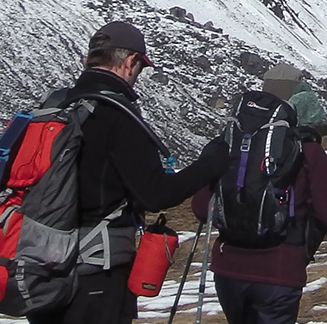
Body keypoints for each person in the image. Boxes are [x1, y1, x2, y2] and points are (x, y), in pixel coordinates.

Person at [27, 21, 230, 324]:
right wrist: (210, 164)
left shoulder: (55, 107)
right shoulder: (118, 114)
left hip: (42, 266)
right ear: (130, 61)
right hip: (96, 272)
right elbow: (156, 193)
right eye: (140, 68)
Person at [191, 67, 327, 324]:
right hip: (279, 272)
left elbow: (200, 207)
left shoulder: (230, 142)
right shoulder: (305, 147)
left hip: (228, 270)